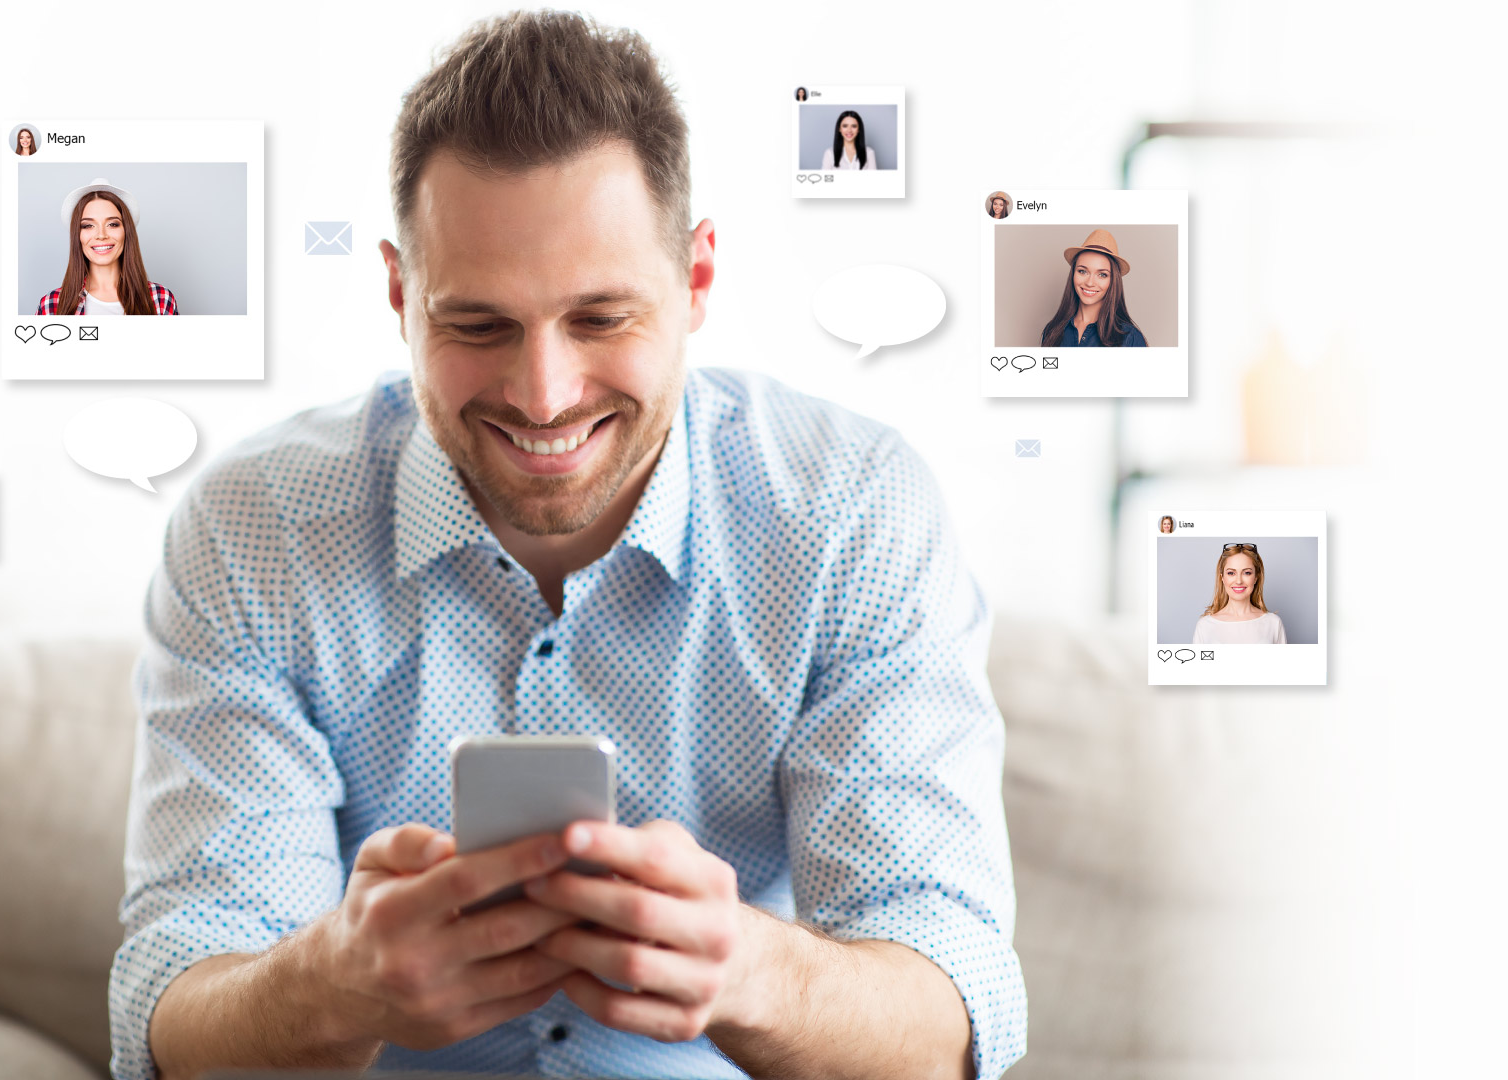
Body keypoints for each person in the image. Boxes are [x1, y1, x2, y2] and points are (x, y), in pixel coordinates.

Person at [115, 12, 1024, 1080]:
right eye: (478, 325)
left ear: (697, 281)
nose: (544, 396)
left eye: (600, 319)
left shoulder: (850, 516)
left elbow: (949, 1016)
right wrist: (337, 984)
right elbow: (173, 1017)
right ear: (401, 296)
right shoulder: (254, 534)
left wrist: (747, 973)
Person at [36, 182, 179, 315]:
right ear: (78, 236)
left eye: (112, 224)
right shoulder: (51, 305)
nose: (101, 235)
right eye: (87, 226)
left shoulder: (160, 299)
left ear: (126, 231)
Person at [1039, 228, 1146, 347]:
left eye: (1102, 275)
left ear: (1113, 281)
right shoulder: (1052, 331)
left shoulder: (1130, 338)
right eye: (1082, 271)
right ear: (1073, 274)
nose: (1090, 283)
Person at [1192, 543, 1287, 644]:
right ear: (1222, 578)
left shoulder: (1273, 623)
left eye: (1247, 573)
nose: (1238, 581)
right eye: (1231, 573)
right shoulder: (1205, 625)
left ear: (1256, 577)